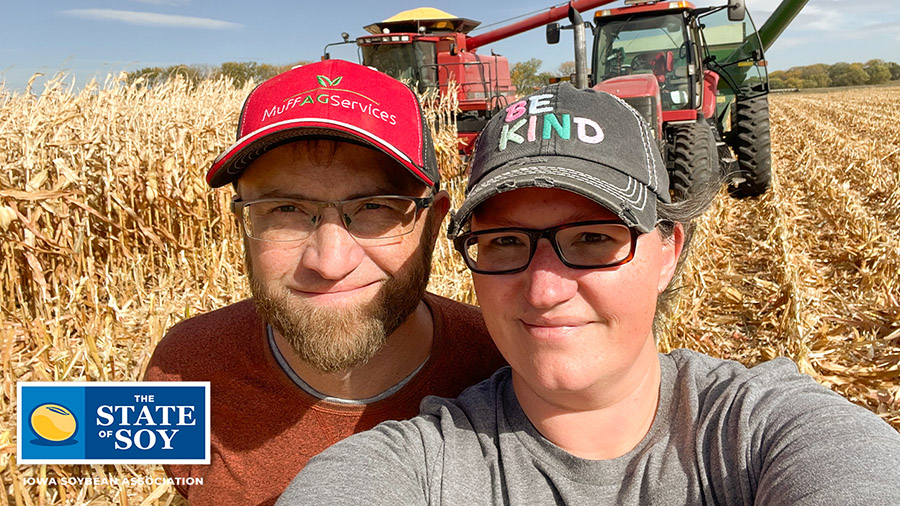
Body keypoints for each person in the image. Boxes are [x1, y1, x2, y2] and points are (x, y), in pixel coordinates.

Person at [277, 83, 900, 505]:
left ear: (668, 250)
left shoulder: (762, 432)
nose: (544, 290)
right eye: (505, 244)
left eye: (594, 237)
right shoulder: (421, 465)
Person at [144, 60, 505, 506]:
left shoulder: (505, 368)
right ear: (243, 221)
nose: (330, 263)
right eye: (285, 209)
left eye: (376, 207)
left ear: (432, 223)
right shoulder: (184, 369)